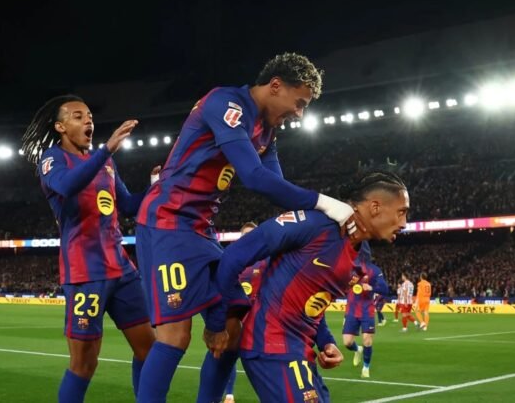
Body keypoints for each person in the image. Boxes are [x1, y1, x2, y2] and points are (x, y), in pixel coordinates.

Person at [134, 53, 358, 403]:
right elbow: (254, 177)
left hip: (200, 230)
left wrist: (325, 222)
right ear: (275, 86)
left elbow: (277, 189)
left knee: (233, 332)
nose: (299, 113)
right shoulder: (226, 104)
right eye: (299, 103)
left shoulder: (267, 131)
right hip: (167, 221)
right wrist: (327, 203)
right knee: (175, 337)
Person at [211, 171, 409, 402]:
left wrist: (325, 341)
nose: (404, 223)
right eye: (401, 212)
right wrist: (218, 324)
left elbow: (313, 303)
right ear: (375, 207)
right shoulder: (315, 224)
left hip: (301, 351)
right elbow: (233, 256)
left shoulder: (360, 254)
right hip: (271, 345)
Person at [22, 95, 157, 403]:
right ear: (60, 127)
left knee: (150, 351)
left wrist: (157, 187)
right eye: (78, 116)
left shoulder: (104, 161)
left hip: (121, 269)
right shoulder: (52, 159)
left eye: (90, 117)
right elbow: (68, 185)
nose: (88, 121)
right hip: (85, 272)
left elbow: (128, 205)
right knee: (85, 364)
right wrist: (107, 149)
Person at [223, 221, 265, 403]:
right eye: (246, 235)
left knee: (260, 360)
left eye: (253, 234)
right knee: (228, 355)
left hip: (259, 319)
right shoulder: (232, 260)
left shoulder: (267, 260)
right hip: (236, 318)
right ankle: (229, 394)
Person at [342, 242, 388, 378]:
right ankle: (358, 349)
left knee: (367, 340)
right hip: (351, 309)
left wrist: (371, 288)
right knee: (347, 342)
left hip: (367, 309)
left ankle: (366, 367)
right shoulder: (348, 267)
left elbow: (385, 289)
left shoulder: (374, 270)